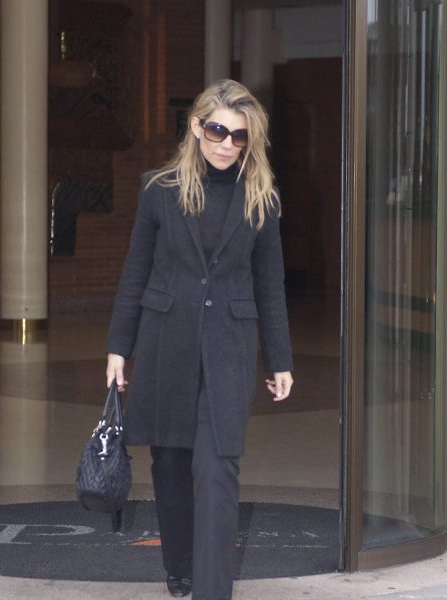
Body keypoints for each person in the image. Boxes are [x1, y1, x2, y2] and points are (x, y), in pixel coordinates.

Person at [105, 78, 294, 599]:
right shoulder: (159, 190)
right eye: (217, 131)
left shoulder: (261, 197)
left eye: (240, 136)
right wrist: (119, 348)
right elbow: (135, 271)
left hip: (229, 347)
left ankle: (213, 591)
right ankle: (181, 564)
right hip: (166, 342)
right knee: (168, 464)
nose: (227, 144)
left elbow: (270, 284)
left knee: (216, 468)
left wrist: (279, 358)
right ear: (196, 126)